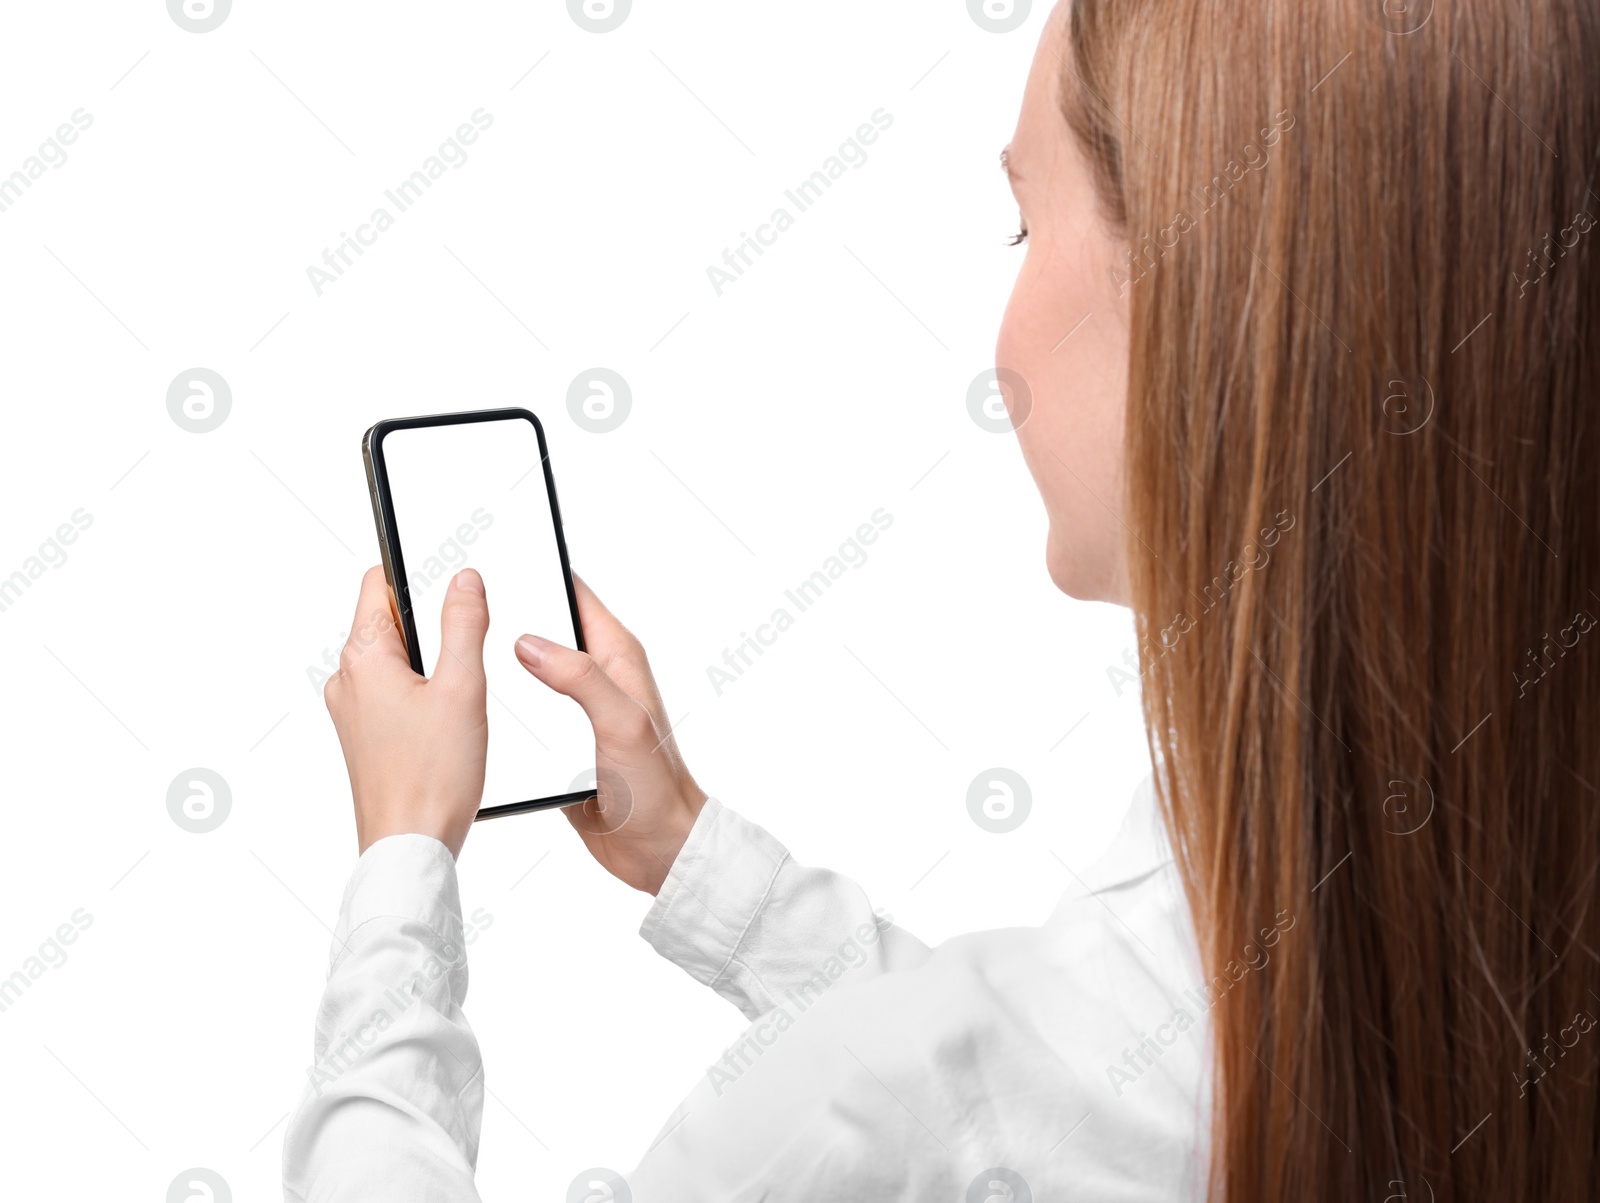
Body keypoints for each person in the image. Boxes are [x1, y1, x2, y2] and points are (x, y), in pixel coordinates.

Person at [284, 1, 1600, 1199]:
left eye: (1024, 221)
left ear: (1213, 295)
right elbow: (1052, 1085)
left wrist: (405, 853)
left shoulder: (887, 1103)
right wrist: (687, 849)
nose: (1000, 336)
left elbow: (954, 1106)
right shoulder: (1441, 884)